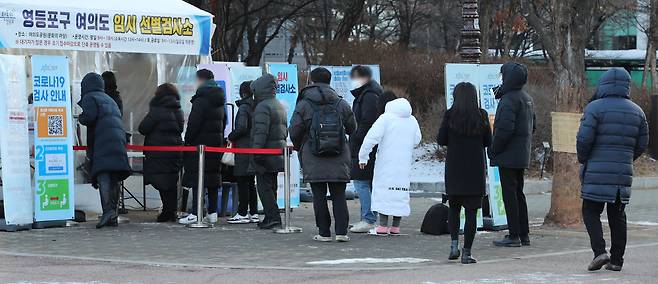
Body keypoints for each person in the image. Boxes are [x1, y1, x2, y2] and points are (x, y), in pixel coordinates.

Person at [577, 68, 648, 272]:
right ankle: (617, 260)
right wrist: (627, 159)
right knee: (618, 215)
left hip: (596, 170)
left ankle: (599, 252)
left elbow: (583, 140)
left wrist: (584, 159)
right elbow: (642, 143)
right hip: (621, 173)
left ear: (604, 84)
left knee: (590, 210)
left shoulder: (594, 108)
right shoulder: (637, 111)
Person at [289, 67, 357, 242]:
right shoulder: (340, 103)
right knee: (339, 195)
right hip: (338, 155)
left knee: (318, 196)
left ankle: (324, 233)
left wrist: (300, 147)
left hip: (313, 156)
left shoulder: (304, 104)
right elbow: (352, 127)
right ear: (329, 81)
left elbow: (295, 130)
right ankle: (341, 232)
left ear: (311, 80)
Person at [437, 82, 491, 264]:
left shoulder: (450, 115)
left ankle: (454, 245)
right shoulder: (481, 115)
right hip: (475, 170)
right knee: (471, 213)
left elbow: (441, 139)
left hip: (454, 169)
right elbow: (488, 141)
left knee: (454, 208)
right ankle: (467, 252)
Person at [358, 97, 421, 235]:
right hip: (404, 164)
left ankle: (383, 226)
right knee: (399, 192)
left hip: (386, 163)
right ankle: (395, 227)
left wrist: (363, 157)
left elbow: (370, 138)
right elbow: (417, 139)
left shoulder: (385, 118)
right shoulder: (412, 120)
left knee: (383, 191)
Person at [488, 61, 535, 247]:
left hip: (508, 155)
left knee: (510, 195)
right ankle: (524, 234)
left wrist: (494, 149)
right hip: (521, 153)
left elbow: (504, 130)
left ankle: (514, 235)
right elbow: (534, 126)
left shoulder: (508, 100)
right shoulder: (527, 98)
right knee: (518, 193)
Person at [77, 72, 131, 229]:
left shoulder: (90, 97)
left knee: (104, 176)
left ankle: (108, 212)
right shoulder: (109, 98)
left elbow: (89, 117)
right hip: (116, 139)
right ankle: (112, 214)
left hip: (103, 141)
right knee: (114, 177)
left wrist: (80, 117)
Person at [178, 69, 225, 225]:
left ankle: (195, 212)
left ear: (200, 80)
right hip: (215, 144)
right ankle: (212, 212)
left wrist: (189, 140)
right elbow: (224, 122)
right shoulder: (220, 98)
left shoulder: (201, 98)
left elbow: (194, 123)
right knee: (211, 177)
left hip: (200, 145)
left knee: (198, 177)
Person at [139, 83, 184, 222]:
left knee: (162, 182)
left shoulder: (157, 110)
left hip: (158, 151)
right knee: (170, 181)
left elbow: (143, 128)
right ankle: (171, 211)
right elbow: (180, 129)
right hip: (175, 149)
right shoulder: (178, 110)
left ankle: (167, 211)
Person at [349, 65, 384, 233]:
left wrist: (355, 137)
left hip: (365, 146)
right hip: (366, 145)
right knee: (366, 182)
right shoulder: (370, 93)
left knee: (361, 182)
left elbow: (367, 122)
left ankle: (368, 218)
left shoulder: (369, 96)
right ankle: (368, 216)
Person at [250, 74, 287, 230]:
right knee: (271, 187)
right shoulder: (278, 104)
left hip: (265, 153)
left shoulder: (263, 106)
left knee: (264, 187)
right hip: (276, 152)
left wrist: (256, 153)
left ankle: (273, 217)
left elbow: (260, 132)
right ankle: (271, 216)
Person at [227, 81, 259, 224]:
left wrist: (230, 136)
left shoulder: (244, 108)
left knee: (242, 180)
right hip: (253, 147)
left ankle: (242, 213)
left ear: (243, 92)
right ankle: (253, 212)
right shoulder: (257, 107)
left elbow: (241, 128)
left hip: (243, 148)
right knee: (251, 182)